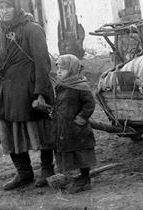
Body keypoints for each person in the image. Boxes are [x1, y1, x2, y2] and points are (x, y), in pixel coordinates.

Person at [0, 0, 55, 190]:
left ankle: (47, 169)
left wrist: (41, 92)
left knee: (41, 128)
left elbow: (42, 63)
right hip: (10, 90)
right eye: (1, 8)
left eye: (8, 6)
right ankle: (24, 172)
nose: (4, 11)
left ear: (17, 6)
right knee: (10, 130)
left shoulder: (32, 29)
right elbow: (1, 61)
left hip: (31, 87)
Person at [53, 54, 97, 193]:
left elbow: (89, 104)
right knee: (71, 151)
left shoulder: (80, 86)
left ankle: (85, 179)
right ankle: (76, 176)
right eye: (58, 68)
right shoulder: (61, 86)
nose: (59, 71)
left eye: (63, 68)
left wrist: (81, 119)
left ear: (72, 69)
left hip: (78, 128)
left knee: (82, 153)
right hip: (65, 127)